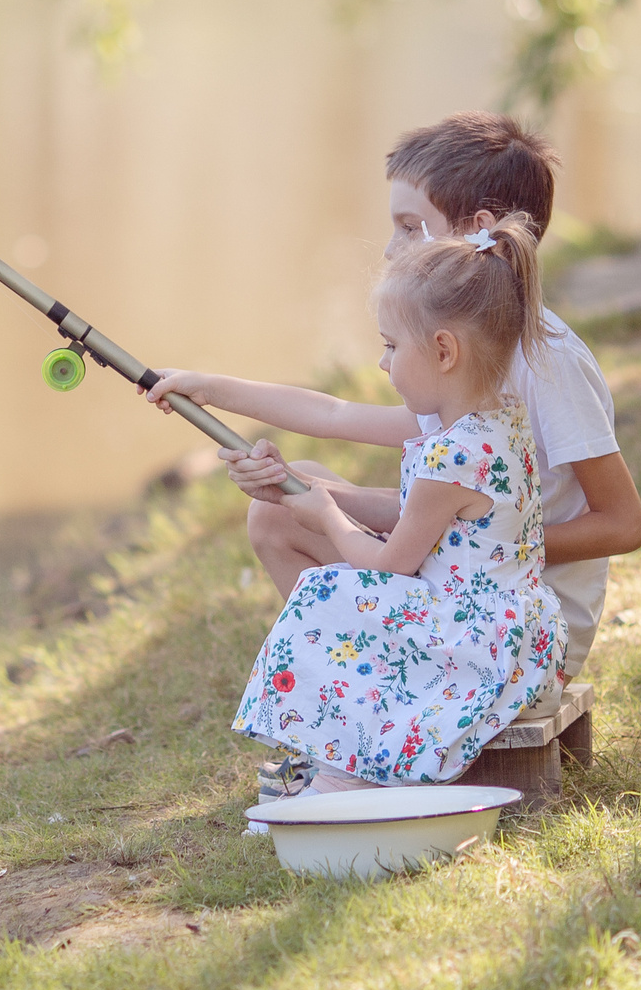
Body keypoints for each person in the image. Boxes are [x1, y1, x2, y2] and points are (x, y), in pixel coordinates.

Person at [144, 113, 641, 698]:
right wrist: (209, 391)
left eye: (410, 226)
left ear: (477, 228)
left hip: (518, 627)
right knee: (283, 503)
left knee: (301, 499)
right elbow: (335, 416)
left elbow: (624, 524)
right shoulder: (462, 360)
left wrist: (482, 543)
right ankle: (362, 699)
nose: (389, 248)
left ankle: (369, 705)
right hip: (463, 586)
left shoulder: (545, 361)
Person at [227, 213, 559, 786]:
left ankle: (348, 766)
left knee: (331, 591)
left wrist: (326, 515)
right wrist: (297, 486)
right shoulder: (500, 421)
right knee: (349, 593)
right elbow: (424, 527)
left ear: (444, 350)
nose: (382, 363)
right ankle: (348, 749)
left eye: (390, 346)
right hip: (518, 634)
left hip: (475, 649)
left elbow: (387, 564)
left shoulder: (449, 456)